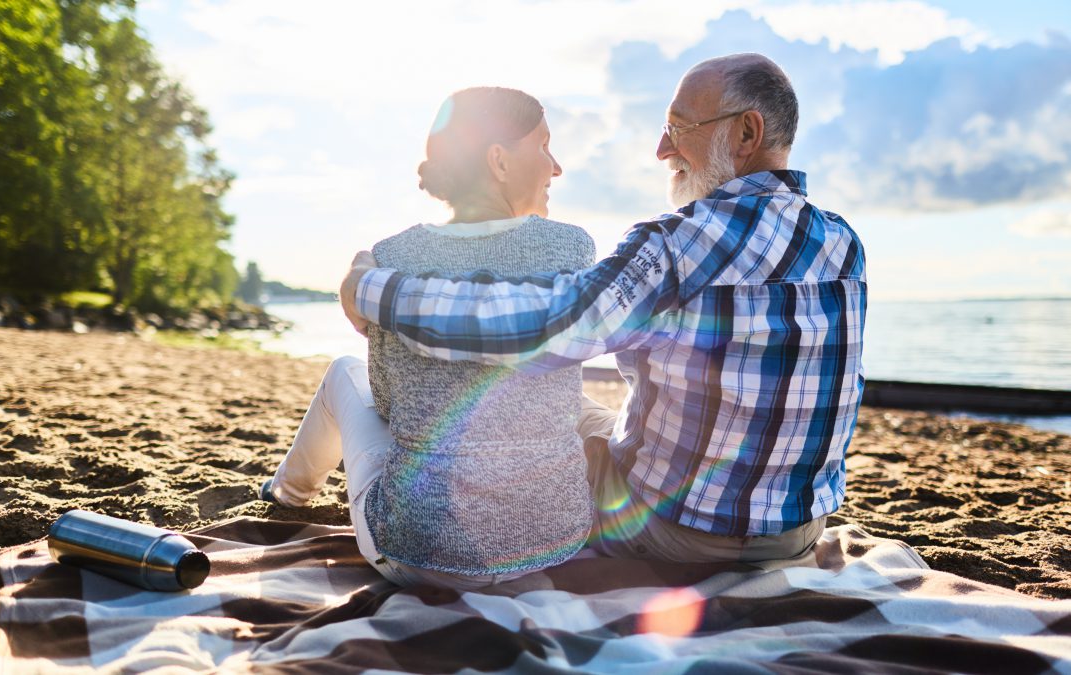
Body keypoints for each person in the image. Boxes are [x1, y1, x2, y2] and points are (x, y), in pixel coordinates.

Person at [342, 54, 867, 565]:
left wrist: (374, 290)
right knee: (576, 413)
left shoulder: (678, 245)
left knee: (539, 422)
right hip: (798, 532)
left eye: (679, 127)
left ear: (747, 134)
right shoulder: (844, 243)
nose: (663, 149)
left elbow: (538, 328)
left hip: (676, 532)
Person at [262, 87, 596, 589]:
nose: (556, 166)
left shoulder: (393, 256)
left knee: (344, 374)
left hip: (419, 554)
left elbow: (391, 405)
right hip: (554, 542)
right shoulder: (573, 247)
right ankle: (286, 491)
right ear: (499, 161)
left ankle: (286, 494)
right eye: (544, 145)